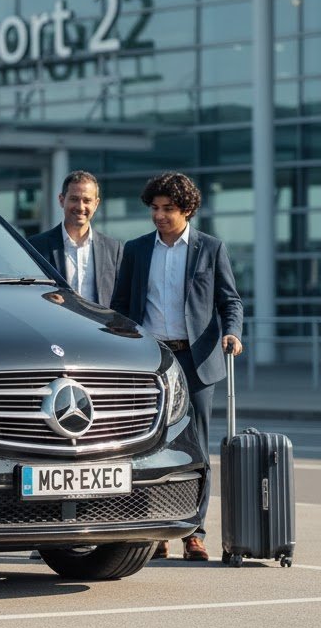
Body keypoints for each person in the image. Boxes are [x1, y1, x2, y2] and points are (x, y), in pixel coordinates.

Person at [109, 172, 243, 561]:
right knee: (145, 446)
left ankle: (194, 533)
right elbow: (120, 305)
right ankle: (155, 530)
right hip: (151, 361)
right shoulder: (136, 250)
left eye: (168, 208)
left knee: (195, 447)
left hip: (196, 360)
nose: (159, 215)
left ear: (187, 210)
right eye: (154, 208)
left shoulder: (210, 249)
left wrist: (232, 332)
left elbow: (230, 301)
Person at [29, 170, 122, 306]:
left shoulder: (114, 249)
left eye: (87, 200)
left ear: (96, 204)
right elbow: (28, 294)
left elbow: (122, 299)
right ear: (61, 200)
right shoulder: (36, 246)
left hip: (100, 320)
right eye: (74, 199)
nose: (80, 207)